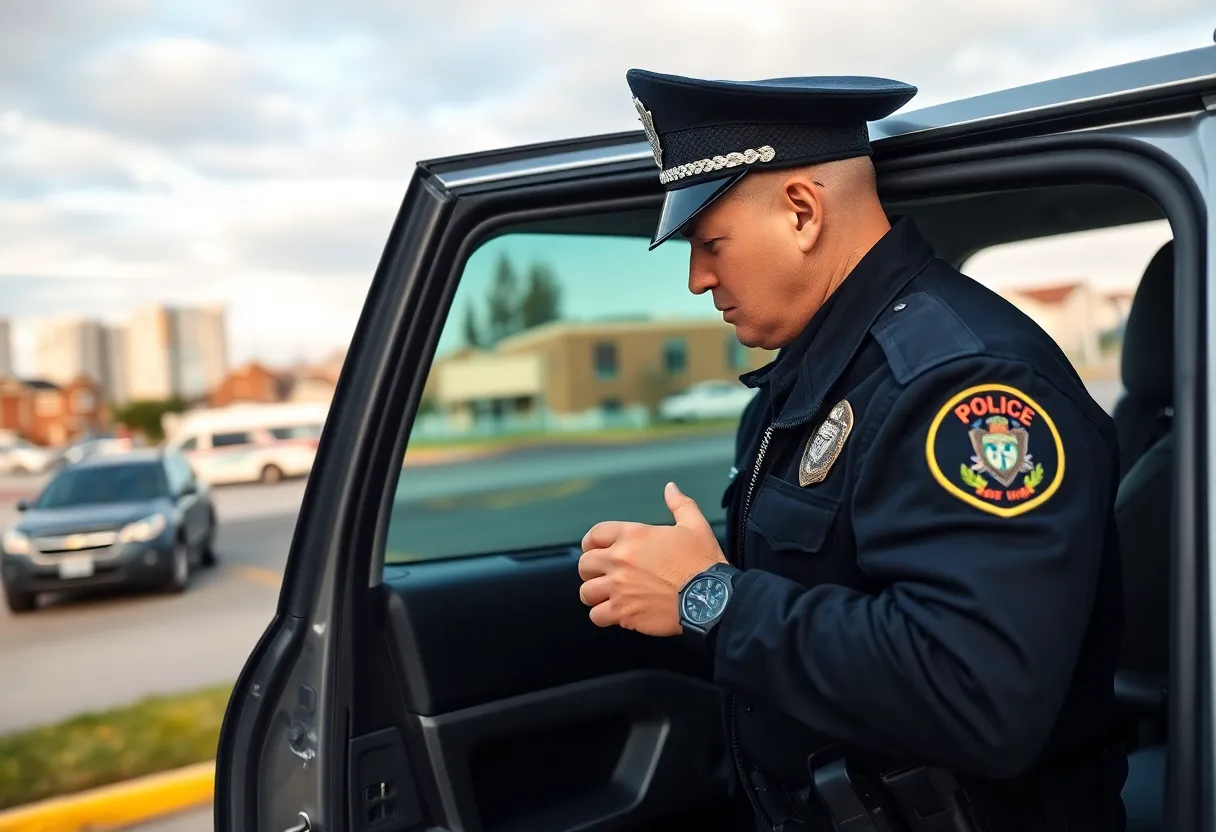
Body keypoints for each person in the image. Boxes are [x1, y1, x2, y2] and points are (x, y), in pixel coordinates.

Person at [576, 68, 1127, 831]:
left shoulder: (958, 385)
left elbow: (979, 693)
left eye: (710, 242)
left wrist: (711, 600)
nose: (699, 278)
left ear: (801, 211)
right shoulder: (815, 377)